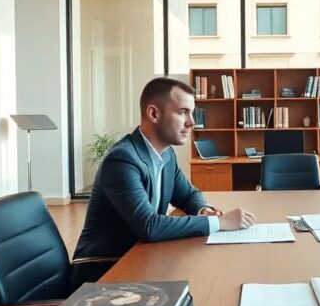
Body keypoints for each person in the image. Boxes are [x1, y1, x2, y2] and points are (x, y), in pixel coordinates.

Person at [73, 77, 256, 264]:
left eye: (191, 113)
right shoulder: (122, 160)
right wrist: (220, 222)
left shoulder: (167, 155)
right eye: (183, 112)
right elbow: (149, 226)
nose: (191, 122)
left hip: (142, 255)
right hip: (103, 265)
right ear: (154, 114)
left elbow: (188, 194)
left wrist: (203, 209)